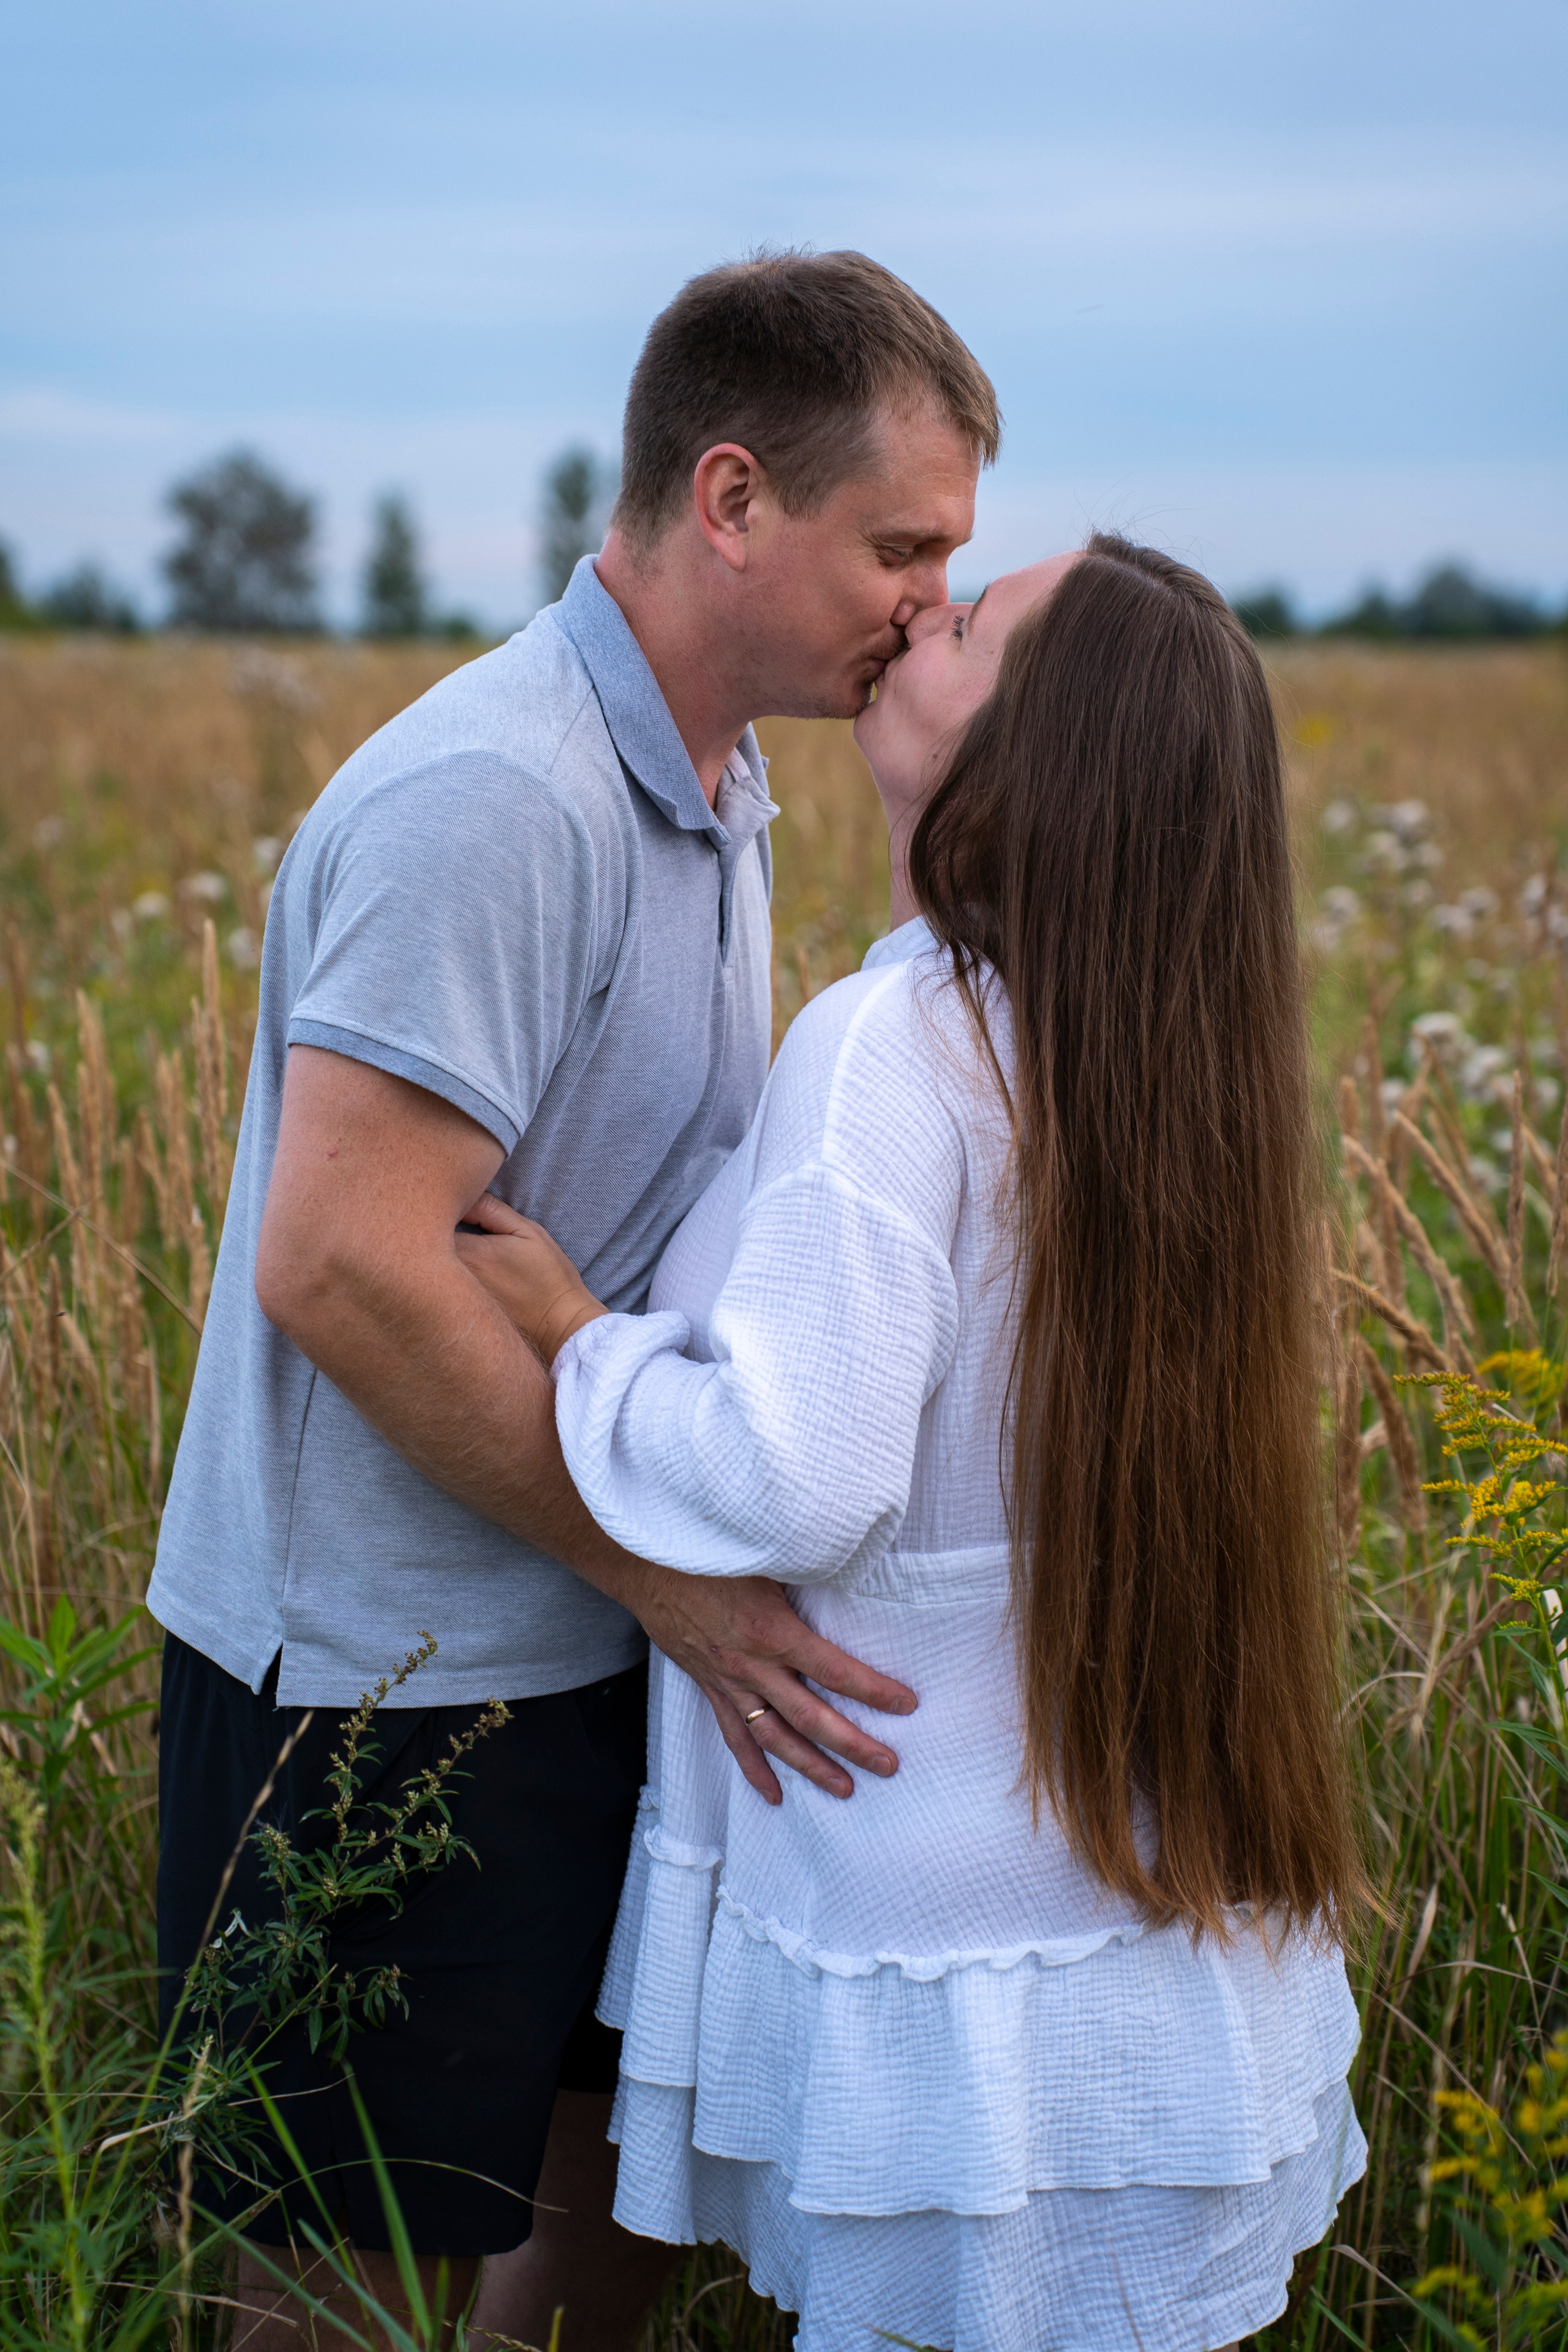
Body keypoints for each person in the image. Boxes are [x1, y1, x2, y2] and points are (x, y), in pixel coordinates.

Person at [145, 249, 1000, 2349]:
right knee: (346, 2275)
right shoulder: (500, 797)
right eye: (902, 547)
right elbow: (344, 1259)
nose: (931, 603)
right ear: (733, 499)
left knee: (603, 2195)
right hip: (380, 1685)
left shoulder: (722, 779)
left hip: (584, 1639)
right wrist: (668, 1579)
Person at [456, 535, 1371, 2352]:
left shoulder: (893, 1043)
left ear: (1038, 756)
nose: (914, 614)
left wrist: (579, 1338)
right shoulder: (1149, 1066)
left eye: (967, 623)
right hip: (1139, 1958)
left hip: (948, 1958)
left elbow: (796, 1475)